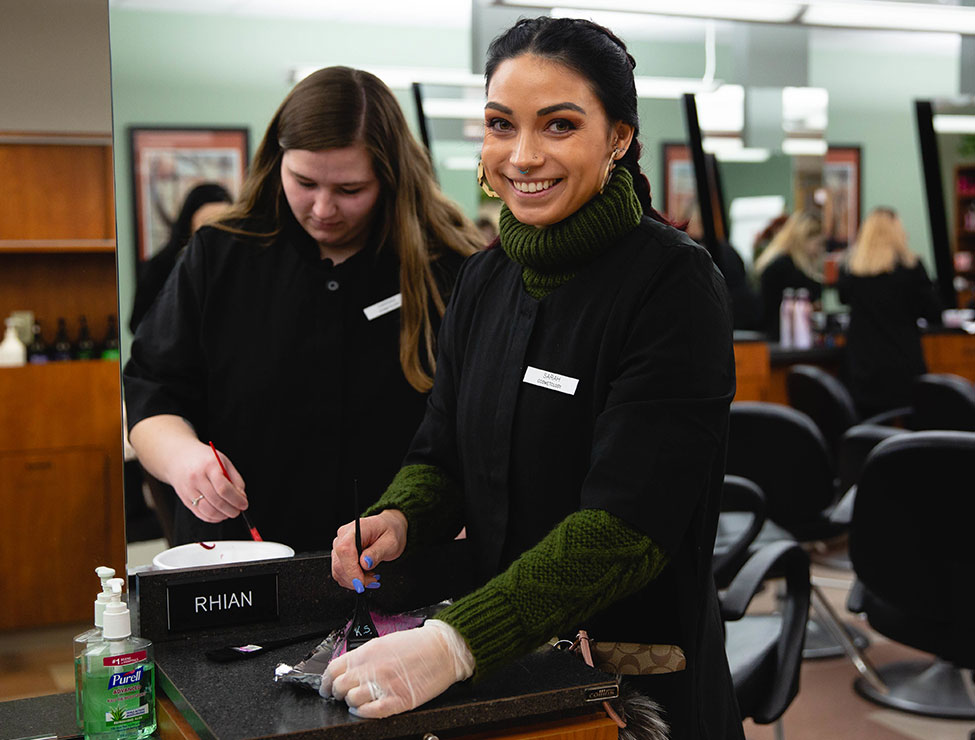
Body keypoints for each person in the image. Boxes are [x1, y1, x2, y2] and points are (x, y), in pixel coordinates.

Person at [324, 18, 743, 739]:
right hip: (506, 670)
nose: (521, 155)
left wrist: (454, 644)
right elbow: (443, 453)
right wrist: (400, 516)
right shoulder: (485, 278)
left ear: (617, 137)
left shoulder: (673, 286)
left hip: (631, 685)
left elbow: (625, 527)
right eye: (500, 124)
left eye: (557, 125)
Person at [123, 67, 482, 551]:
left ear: (392, 178)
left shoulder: (450, 268)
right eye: (304, 182)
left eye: (350, 190)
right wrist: (184, 459)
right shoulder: (220, 255)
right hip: (242, 559)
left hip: (399, 564)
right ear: (277, 162)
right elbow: (152, 395)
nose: (322, 209)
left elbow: (476, 430)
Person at [838, 207, 942, 417]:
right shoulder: (911, 270)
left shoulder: (851, 270)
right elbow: (934, 312)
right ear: (897, 234)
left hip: (862, 369)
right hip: (901, 367)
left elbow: (843, 298)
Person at [129, 182, 232, 333]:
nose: (217, 231)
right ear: (189, 225)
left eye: (225, 223)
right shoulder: (160, 268)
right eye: (208, 223)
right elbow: (139, 326)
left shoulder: (238, 267)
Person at [753, 209, 825, 341]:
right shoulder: (786, 269)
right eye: (817, 244)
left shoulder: (778, 263)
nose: (819, 250)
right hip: (781, 337)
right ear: (804, 239)